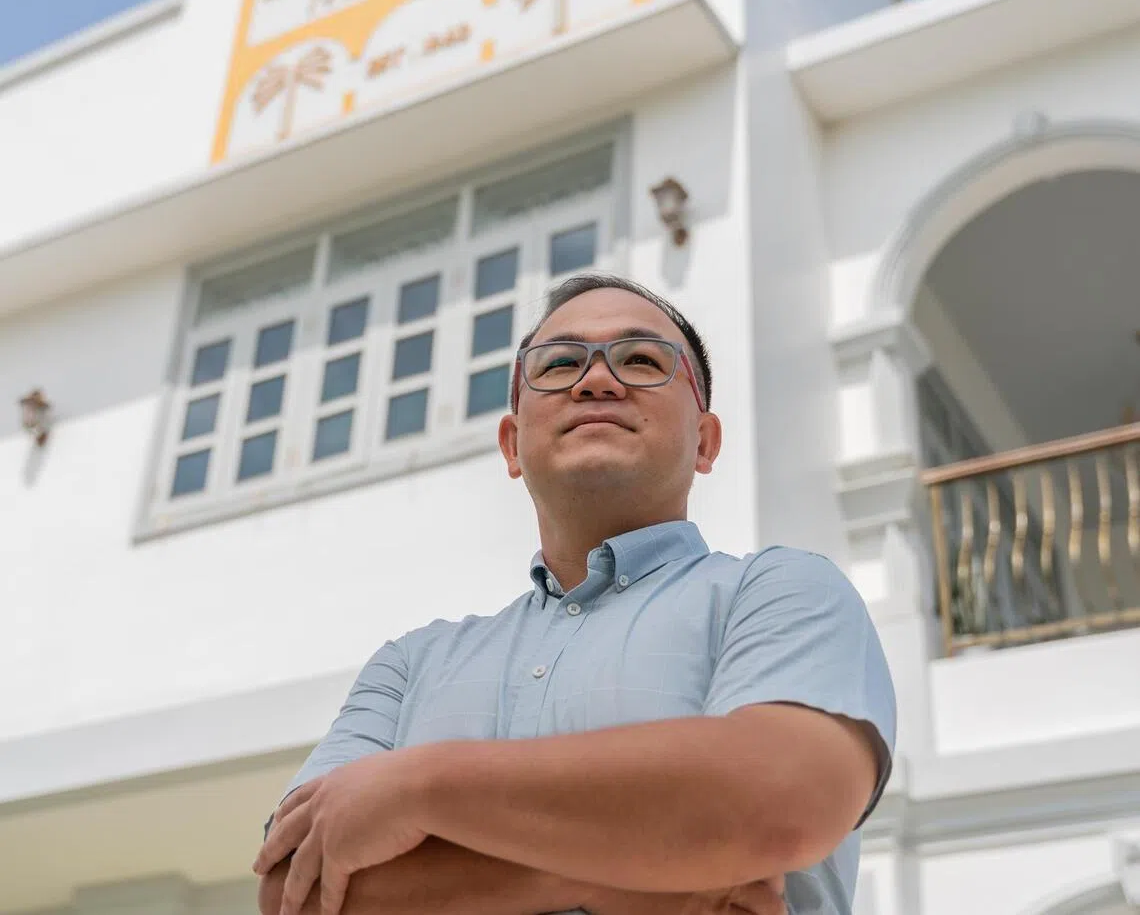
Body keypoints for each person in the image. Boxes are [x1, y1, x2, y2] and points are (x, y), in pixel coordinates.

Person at [254, 273, 896, 915]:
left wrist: (419, 784)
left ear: (705, 441)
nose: (596, 381)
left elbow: (781, 796)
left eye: (641, 360)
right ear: (511, 446)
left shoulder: (781, 591)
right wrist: (593, 878)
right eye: (559, 364)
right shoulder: (408, 665)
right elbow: (294, 890)